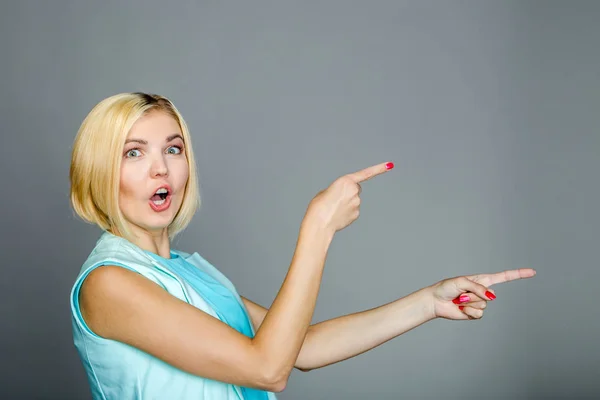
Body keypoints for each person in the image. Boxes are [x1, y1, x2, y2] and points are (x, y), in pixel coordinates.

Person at [69, 92, 536, 400]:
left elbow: (301, 348)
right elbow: (268, 369)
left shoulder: (190, 270)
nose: (161, 169)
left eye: (173, 149)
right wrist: (317, 231)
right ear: (99, 170)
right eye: (134, 152)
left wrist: (429, 302)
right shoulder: (109, 283)